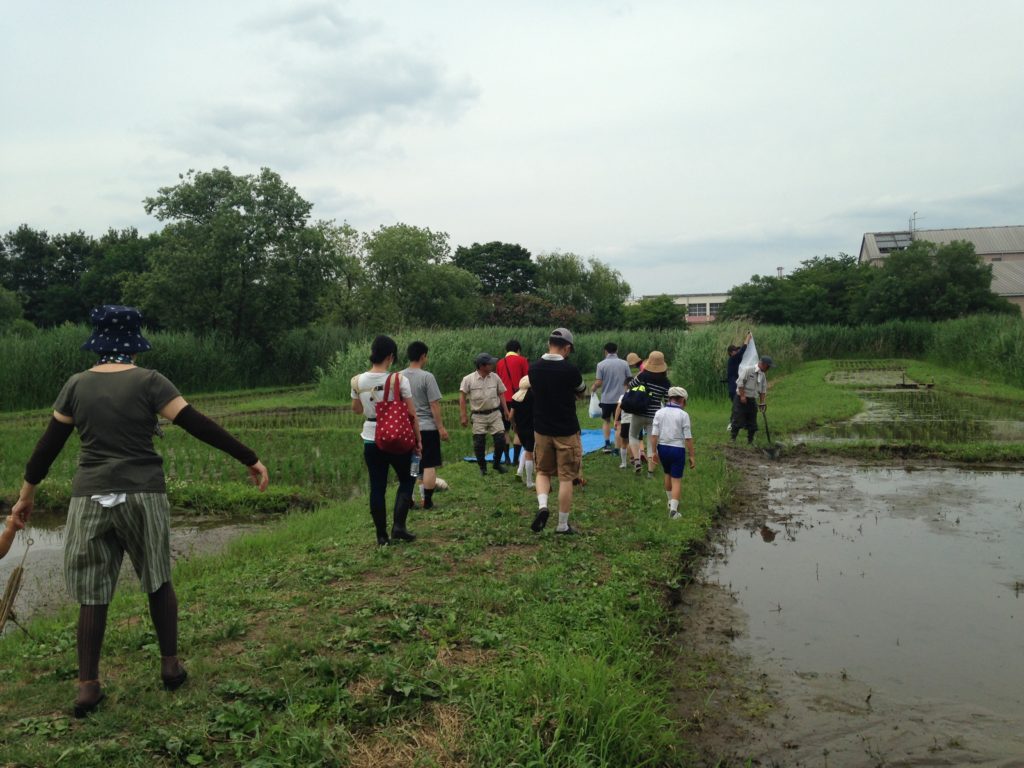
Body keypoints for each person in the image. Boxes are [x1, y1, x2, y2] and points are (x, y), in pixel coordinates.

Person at [11, 305, 269, 718]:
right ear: (134, 342)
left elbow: (48, 447)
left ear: (97, 341)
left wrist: (26, 495)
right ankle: (170, 666)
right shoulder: (150, 381)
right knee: (157, 577)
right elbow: (197, 423)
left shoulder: (76, 385)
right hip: (142, 495)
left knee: (93, 593)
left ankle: (88, 687)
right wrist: (249, 457)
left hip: (89, 497)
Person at [351, 335, 423, 544]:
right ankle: (399, 526)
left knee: (377, 486)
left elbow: (357, 410)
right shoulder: (399, 380)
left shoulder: (357, 381)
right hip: (398, 439)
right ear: (390, 357)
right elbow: (411, 413)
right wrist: (418, 440)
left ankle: (381, 536)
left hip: (371, 440)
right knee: (408, 477)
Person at [528, 328, 586, 534]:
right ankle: (562, 525)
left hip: (542, 429)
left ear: (549, 344)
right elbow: (581, 391)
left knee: (542, 471)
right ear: (567, 348)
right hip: (566, 429)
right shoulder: (570, 370)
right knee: (566, 477)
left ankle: (543, 506)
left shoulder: (533, 368)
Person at [401, 341, 449, 510]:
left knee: (412, 463)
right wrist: (441, 427)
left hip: (407, 428)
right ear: (423, 356)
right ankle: (427, 501)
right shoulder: (427, 377)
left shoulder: (398, 377)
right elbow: (434, 405)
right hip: (427, 427)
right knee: (428, 464)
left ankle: (409, 499)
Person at [459, 353, 510, 475]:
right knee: (479, 443)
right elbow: (462, 397)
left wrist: (506, 410)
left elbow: (501, 393)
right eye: (490, 363)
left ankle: (496, 464)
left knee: (500, 440)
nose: (492, 365)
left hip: (495, 413)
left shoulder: (495, 377)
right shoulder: (468, 379)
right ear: (482, 366)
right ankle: (483, 468)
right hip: (478, 415)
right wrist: (464, 415)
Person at [651, 386, 696, 520]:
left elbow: (654, 435)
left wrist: (654, 452)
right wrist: (692, 455)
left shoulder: (659, 412)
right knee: (676, 480)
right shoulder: (683, 415)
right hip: (677, 449)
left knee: (667, 474)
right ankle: (674, 511)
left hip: (662, 447)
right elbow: (688, 438)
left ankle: (670, 501)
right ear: (682, 400)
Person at [626, 351, 672, 478]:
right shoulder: (666, 382)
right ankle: (650, 473)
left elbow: (630, 385)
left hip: (639, 412)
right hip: (654, 415)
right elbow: (668, 401)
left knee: (633, 435)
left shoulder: (643, 376)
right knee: (652, 443)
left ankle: (637, 461)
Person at [591, 342, 632, 454]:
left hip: (606, 399)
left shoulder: (601, 365)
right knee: (618, 423)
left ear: (605, 351)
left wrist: (593, 388)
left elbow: (599, 382)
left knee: (606, 421)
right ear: (617, 350)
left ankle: (607, 444)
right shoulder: (624, 364)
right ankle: (617, 448)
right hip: (621, 399)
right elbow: (629, 380)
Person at [495, 340, 530, 467]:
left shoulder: (499, 363)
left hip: (503, 400)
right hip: (519, 399)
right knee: (517, 429)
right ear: (518, 350)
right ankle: (516, 459)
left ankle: (507, 459)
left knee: (504, 430)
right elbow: (527, 380)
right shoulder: (522, 360)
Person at [732, 356, 773, 444]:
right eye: (768, 366)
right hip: (741, 399)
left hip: (752, 400)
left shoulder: (762, 375)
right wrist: (742, 396)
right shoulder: (748, 370)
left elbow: (763, 390)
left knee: (753, 423)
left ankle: (750, 441)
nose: (768, 368)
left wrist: (762, 403)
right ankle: (733, 439)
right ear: (763, 364)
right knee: (738, 420)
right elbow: (740, 383)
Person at [509, 376, 535, 489]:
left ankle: (520, 471)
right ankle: (529, 481)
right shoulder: (533, 396)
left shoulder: (515, 398)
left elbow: (510, 416)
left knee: (527, 449)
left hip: (520, 430)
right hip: (532, 429)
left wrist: (514, 426)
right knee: (530, 452)